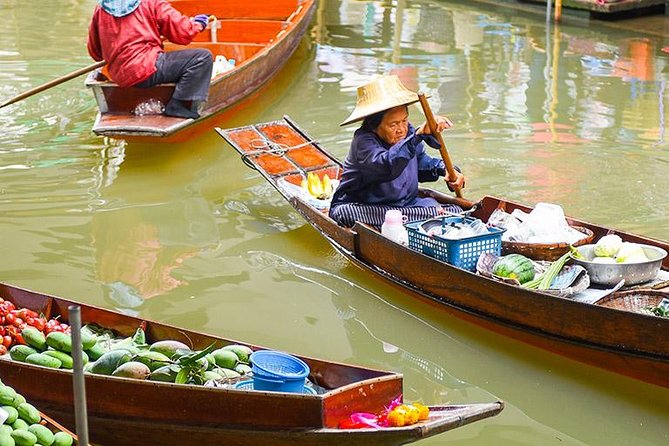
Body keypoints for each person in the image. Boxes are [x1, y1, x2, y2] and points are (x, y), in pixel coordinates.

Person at [329, 75, 466, 228]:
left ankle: (422, 218)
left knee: (456, 210)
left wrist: (445, 169)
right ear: (375, 126)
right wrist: (417, 137)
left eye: (404, 121)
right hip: (368, 208)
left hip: (407, 207)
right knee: (345, 212)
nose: (401, 129)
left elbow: (420, 164)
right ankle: (423, 218)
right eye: (393, 124)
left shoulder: (408, 133)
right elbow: (387, 165)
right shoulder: (363, 142)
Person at [87, 0, 213, 119]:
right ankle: (178, 105)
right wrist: (198, 23)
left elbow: (96, 53)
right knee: (202, 57)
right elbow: (184, 32)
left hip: (119, 75)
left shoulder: (101, 8)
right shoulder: (151, 2)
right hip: (145, 70)